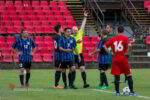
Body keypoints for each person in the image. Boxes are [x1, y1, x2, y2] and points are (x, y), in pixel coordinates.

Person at [104, 26, 137, 96]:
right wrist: (128, 52)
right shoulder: (125, 38)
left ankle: (117, 92)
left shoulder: (113, 38)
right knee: (129, 75)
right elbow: (129, 46)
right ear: (123, 31)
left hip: (115, 59)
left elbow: (104, 46)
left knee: (117, 76)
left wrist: (109, 53)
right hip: (123, 58)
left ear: (117, 31)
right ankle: (131, 92)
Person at [71, 11, 90, 88]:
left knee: (82, 68)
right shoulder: (71, 37)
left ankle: (85, 83)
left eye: (76, 30)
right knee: (73, 69)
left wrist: (85, 17)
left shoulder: (79, 33)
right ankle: (72, 84)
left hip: (80, 54)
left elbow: (83, 25)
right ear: (72, 31)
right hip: (73, 54)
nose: (75, 31)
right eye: (74, 30)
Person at [53, 24, 64, 88]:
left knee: (58, 69)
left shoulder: (56, 36)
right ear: (59, 29)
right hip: (59, 54)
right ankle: (56, 85)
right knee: (59, 69)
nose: (62, 29)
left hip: (57, 54)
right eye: (62, 28)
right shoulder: (59, 37)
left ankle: (56, 84)